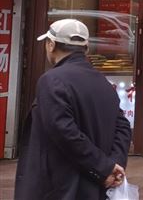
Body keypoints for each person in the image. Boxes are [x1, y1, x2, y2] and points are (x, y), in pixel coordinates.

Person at [15, 19, 131, 200]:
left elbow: (64, 132)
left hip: (60, 188)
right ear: (86, 49)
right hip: (95, 189)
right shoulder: (103, 82)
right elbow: (122, 126)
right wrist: (113, 165)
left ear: (51, 45)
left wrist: (105, 167)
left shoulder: (51, 80)